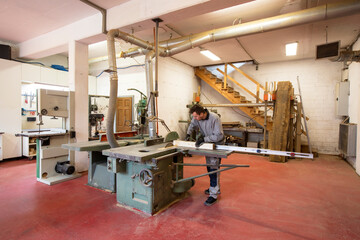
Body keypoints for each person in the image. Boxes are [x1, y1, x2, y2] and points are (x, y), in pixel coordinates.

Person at [185, 104, 224, 206]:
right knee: (210, 168)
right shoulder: (197, 118)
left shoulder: (215, 118)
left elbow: (219, 136)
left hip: (216, 145)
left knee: (213, 169)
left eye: (196, 116)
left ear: (202, 113)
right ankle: (215, 188)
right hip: (208, 145)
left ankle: (213, 195)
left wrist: (204, 139)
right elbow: (192, 124)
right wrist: (188, 134)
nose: (195, 118)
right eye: (194, 116)